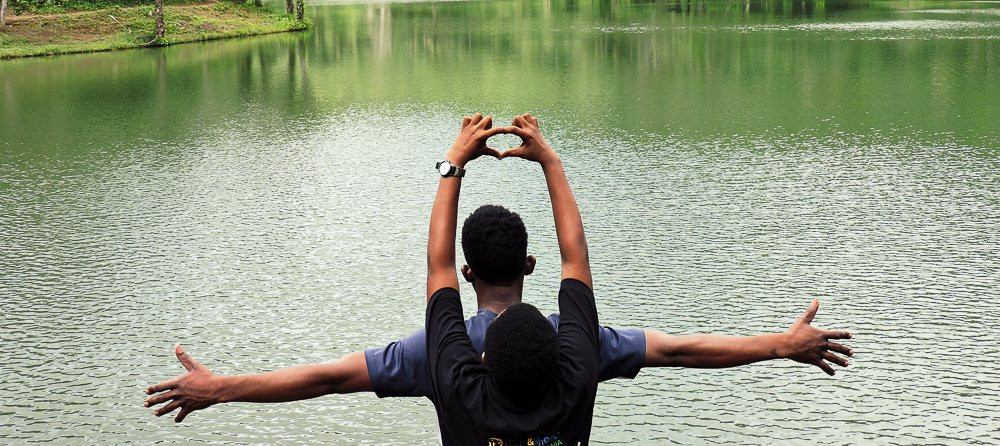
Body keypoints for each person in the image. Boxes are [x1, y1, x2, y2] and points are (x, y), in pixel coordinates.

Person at [144, 117, 853, 424]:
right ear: (530, 266)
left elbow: (327, 377)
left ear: (468, 271)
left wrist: (223, 389)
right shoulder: (576, 353)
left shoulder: (442, 360)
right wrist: (779, 346)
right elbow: (683, 349)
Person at [426, 112, 604, 444]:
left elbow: (440, 268)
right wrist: (550, 161)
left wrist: (453, 163)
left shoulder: (461, 393)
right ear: (558, 356)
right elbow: (575, 257)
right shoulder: (576, 379)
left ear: (483, 360)